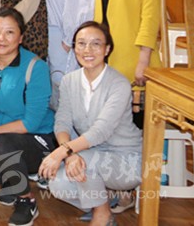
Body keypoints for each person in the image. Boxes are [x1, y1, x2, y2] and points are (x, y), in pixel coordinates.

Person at [39, 22, 142, 226]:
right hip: (90, 154)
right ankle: (104, 200)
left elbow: (100, 131)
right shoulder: (69, 81)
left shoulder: (119, 84)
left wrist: (61, 153)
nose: (88, 50)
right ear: (74, 48)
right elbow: (62, 122)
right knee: (58, 184)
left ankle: (102, 215)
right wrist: (70, 154)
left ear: (107, 49)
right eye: (81, 43)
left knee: (84, 164)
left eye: (96, 44)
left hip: (127, 160)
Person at [0, 7, 56, 226]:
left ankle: (26, 199)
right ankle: (13, 177)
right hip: (0, 139)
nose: (1, 38)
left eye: (9, 32)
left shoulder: (35, 67)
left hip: (37, 139)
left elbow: (30, 123)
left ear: (21, 37)